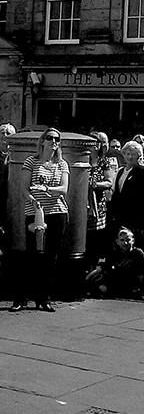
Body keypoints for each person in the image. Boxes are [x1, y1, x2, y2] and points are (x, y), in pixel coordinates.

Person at [10, 128, 70, 313]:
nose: (54, 141)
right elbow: (24, 188)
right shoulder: (31, 161)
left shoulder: (62, 164)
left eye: (57, 139)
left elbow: (64, 189)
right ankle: (21, 298)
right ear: (42, 141)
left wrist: (47, 190)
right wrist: (33, 199)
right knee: (32, 254)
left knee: (50, 257)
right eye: (50, 138)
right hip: (35, 212)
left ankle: (44, 299)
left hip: (57, 212)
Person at [109, 141, 144, 249]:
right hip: (120, 216)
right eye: (127, 154)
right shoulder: (120, 171)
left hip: (135, 217)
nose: (130, 157)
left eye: (133, 154)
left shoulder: (143, 172)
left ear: (138, 156)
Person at [87, 228, 144, 299]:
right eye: (122, 240)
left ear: (133, 241)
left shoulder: (138, 253)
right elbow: (102, 268)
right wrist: (88, 277)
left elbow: (141, 275)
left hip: (130, 282)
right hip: (115, 282)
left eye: (128, 240)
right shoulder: (115, 253)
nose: (125, 243)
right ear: (117, 242)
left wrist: (141, 293)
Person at [86, 131, 115, 269]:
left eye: (97, 142)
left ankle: (92, 268)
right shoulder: (83, 159)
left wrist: (95, 185)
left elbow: (109, 182)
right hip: (82, 204)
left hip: (98, 205)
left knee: (95, 241)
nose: (95, 145)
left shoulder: (104, 161)